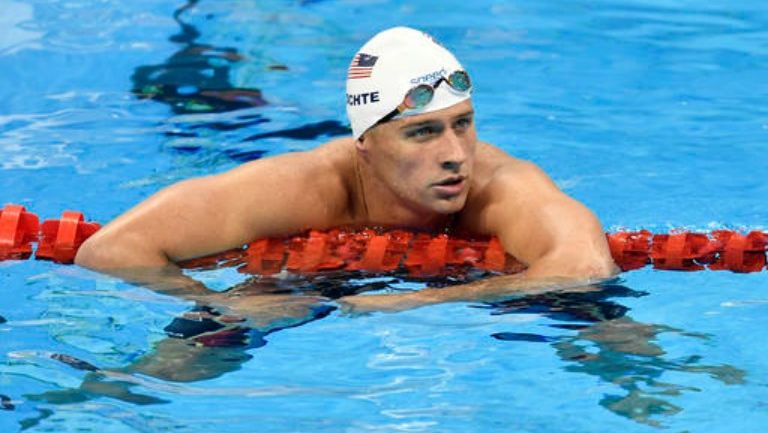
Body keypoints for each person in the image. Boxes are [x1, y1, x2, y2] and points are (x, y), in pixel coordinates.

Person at [75, 27, 617, 315]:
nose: (456, 153)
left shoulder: (501, 185)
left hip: (430, 290)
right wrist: (217, 304)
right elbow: (110, 250)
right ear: (366, 144)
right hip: (296, 277)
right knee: (221, 330)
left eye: (464, 124)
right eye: (422, 132)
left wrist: (415, 302)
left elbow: (583, 269)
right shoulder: (302, 186)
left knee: (595, 322)